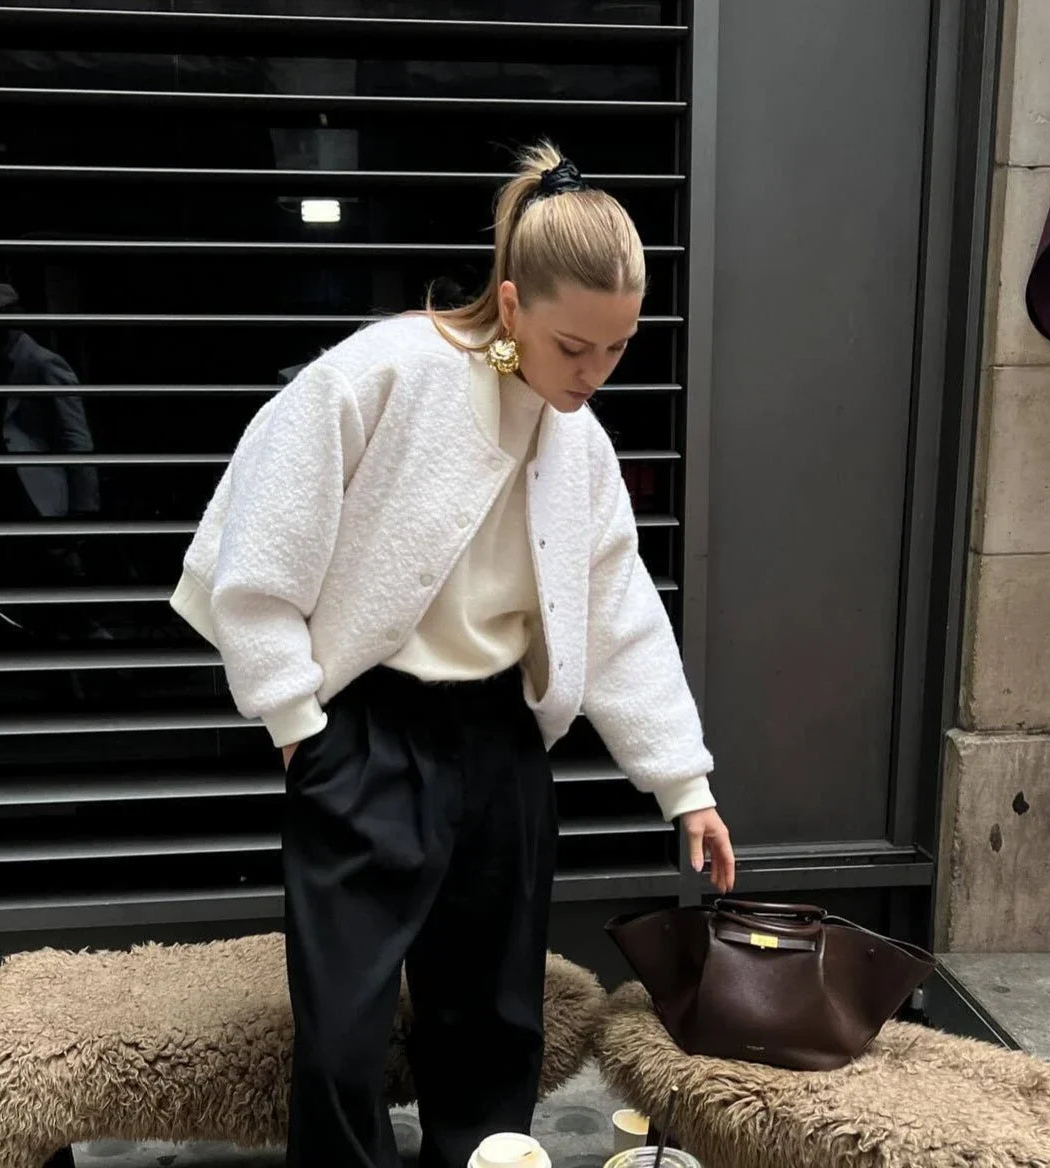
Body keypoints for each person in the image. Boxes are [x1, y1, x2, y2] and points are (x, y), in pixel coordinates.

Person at [170, 142, 736, 1168]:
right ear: (512, 302)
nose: (594, 375)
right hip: (368, 731)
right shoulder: (380, 375)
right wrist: (301, 728)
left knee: (492, 1018)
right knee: (341, 1027)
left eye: (617, 349)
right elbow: (257, 559)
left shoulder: (583, 444)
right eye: (574, 347)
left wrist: (683, 786)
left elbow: (618, 616)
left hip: (501, 742)